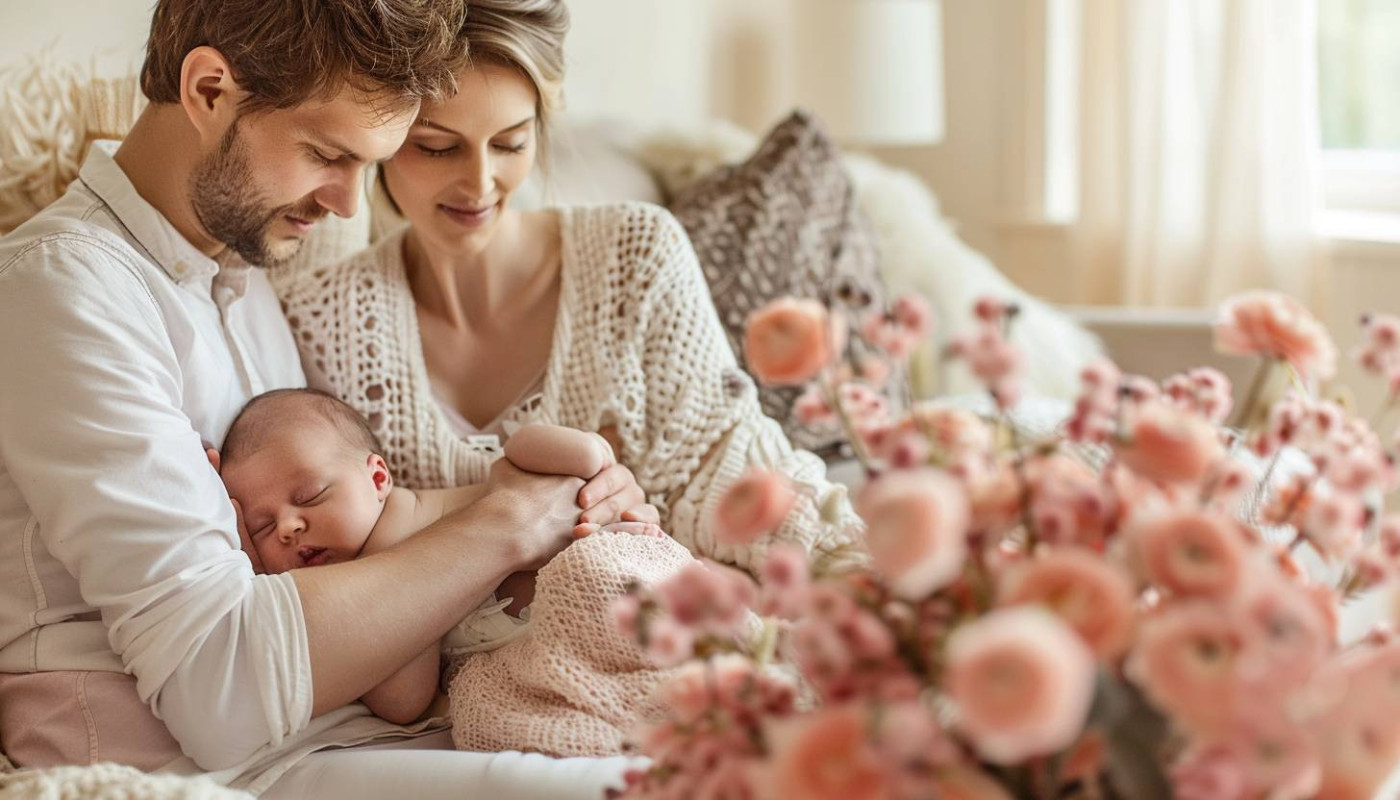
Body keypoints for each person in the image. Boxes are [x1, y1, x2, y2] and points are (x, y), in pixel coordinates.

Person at [0, 1, 647, 796]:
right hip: (207, 766)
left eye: (368, 165)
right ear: (208, 90)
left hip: (346, 733)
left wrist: (583, 509)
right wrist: (510, 521)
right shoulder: (63, 288)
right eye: (326, 154)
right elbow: (220, 691)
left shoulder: (240, 278)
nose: (347, 204)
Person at [272, 0, 867, 584]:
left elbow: (734, 467)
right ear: (383, 140)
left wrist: (870, 577)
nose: (479, 183)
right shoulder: (322, 320)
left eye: (509, 143)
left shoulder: (636, 255)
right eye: (436, 146)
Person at [215, 389, 690, 757]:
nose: (288, 527)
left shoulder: (398, 528)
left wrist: (578, 455)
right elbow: (401, 701)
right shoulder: (351, 589)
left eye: (310, 495)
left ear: (378, 478)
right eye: (261, 527)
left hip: (607, 576)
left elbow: (402, 700)